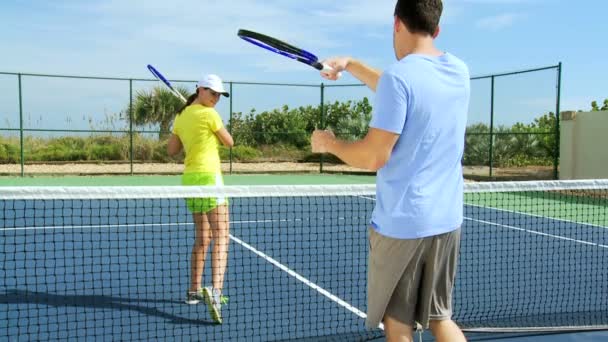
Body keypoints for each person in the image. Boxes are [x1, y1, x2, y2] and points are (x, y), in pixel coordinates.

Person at [310, 1, 469, 341]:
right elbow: (406, 87)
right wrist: (350, 64)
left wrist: (330, 144)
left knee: (398, 327)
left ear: (396, 23)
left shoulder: (400, 78)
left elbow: (372, 158)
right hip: (447, 220)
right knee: (441, 319)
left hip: (403, 225)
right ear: (436, 28)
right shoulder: (458, 70)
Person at [167, 74, 234, 324]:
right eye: (213, 93)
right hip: (209, 179)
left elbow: (172, 150)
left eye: (219, 95)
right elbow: (230, 142)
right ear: (200, 90)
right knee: (222, 236)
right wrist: (212, 129)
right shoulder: (210, 115)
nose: (216, 98)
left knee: (203, 237)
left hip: (190, 181)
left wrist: (190, 131)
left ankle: (194, 290)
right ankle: (216, 292)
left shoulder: (182, 116)